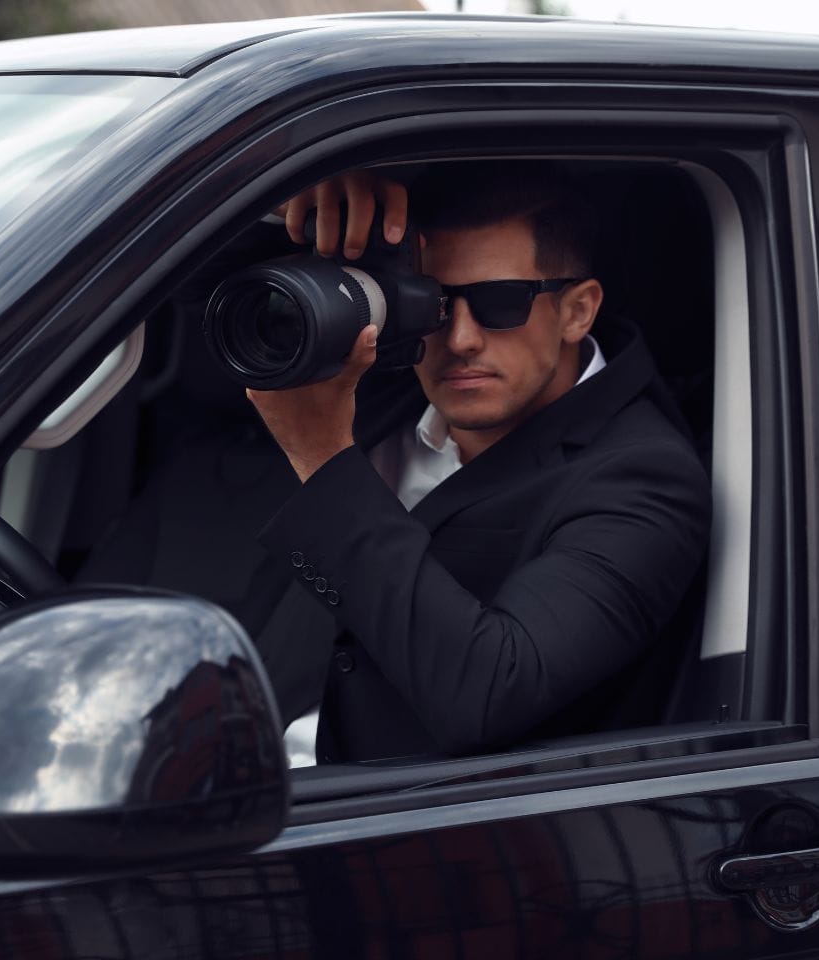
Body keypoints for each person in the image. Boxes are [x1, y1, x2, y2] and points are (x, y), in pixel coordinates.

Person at [248, 162, 711, 762]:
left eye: (501, 303)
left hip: (401, 829)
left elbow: (493, 689)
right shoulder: (375, 385)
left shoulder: (645, 478)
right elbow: (169, 289)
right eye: (434, 305)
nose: (460, 338)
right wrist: (287, 206)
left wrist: (322, 454)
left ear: (578, 310)